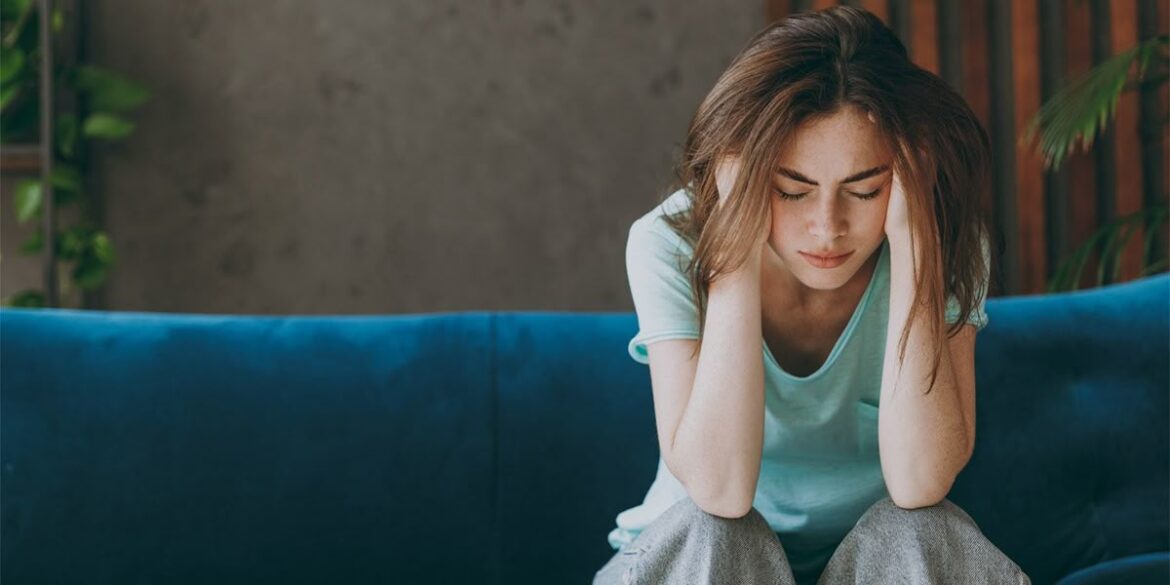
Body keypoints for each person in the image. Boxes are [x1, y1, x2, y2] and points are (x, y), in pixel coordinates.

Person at [594, 6, 1031, 585]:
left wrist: (917, 241)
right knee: (717, 530)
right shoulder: (668, 244)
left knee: (922, 528)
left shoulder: (947, 244)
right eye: (791, 191)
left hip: (874, 569)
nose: (828, 228)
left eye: (866, 189)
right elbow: (719, 491)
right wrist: (736, 247)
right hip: (697, 564)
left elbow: (919, 483)